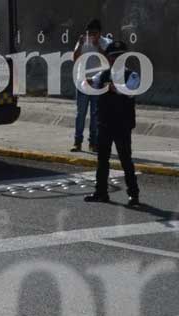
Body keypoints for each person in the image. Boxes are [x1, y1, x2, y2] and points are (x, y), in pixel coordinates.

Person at [85, 40, 141, 206]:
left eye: (119, 57)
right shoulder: (102, 75)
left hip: (122, 125)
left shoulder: (132, 75)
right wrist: (85, 79)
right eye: (112, 57)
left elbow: (129, 91)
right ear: (108, 59)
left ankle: (134, 195)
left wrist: (111, 87)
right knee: (102, 159)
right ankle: (101, 192)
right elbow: (89, 83)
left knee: (125, 160)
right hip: (104, 123)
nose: (115, 60)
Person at [72, 19, 110, 153]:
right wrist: (80, 45)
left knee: (95, 115)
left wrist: (98, 46)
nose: (91, 36)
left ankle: (93, 143)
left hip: (97, 83)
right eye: (89, 33)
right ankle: (77, 142)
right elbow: (75, 59)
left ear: (100, 33)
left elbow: (108, 60)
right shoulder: (83, 42)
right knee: (80, 113)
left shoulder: (106, 43)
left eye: (94, 33)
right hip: (82, 82)